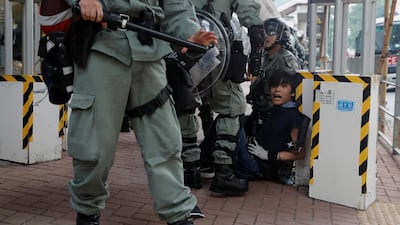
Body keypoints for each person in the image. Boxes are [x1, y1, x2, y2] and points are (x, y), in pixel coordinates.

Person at [43, 0, 218, 225]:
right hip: (101, 45)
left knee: (164, 141)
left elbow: (177, 5)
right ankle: (87, 212)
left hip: (149, 50)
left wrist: (190, 33)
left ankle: (179, 214)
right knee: (93, 144)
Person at [178, 0, 265, 196]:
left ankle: (190, 169)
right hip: (215, 44)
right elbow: (251, 19)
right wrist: (256, 63)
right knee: (231, 106)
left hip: (183, 42)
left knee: (186, 102)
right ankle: (223, 173)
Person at [236, 70, 309, 184]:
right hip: (253, 160)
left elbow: (300, 154)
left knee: (230, 124)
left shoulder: (294, 117)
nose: (277, 89)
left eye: (283, 86)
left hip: (261, 168)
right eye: (274, 86)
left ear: (293, 93)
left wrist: (268, 155)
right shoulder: (273, 110)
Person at [246, 17, 301, 137]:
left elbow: (289, 95)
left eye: (271, 31)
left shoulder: (286, 60)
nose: (266, 35)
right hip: (260, 113)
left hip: (277, 117)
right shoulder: (263, 58)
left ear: (281, 35)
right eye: (263, 31)